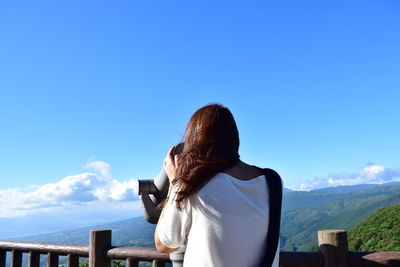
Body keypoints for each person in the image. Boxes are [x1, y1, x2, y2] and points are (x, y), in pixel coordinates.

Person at [154, 103, 281, 267]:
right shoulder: (271, 181)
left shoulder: (193, 188)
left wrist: (175, 183)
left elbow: (164, 244)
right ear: (235, 139)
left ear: (194, 143)